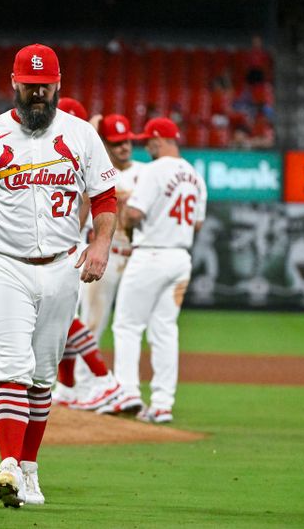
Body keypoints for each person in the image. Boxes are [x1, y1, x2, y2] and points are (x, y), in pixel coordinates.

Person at [0, 44, 117, 508]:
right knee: (12, 367)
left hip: (61, 267)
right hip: (4, 265)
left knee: (42, 377)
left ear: (59, 84)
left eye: (45, 85)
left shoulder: (80, 136)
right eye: (30, 85)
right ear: (14, 83)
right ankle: (9, 467)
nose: (38, 93)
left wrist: (99, 244)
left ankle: (30, 469)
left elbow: (106, 198)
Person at [110, 117, 207, 424]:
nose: (145, 146)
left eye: (148, 141)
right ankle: (163, 404)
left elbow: (135, 214)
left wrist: (123, 210)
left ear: (157, 141)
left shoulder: (153, 171)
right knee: (165, 331)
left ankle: (128, 394)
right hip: (180, 259)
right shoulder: (194, 175)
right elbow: (198, 223)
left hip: (150, 256)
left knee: (127, 326)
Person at [51, 105, 146, 413]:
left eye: (127, 140)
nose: (124, 146)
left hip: (134, 257)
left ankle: (103, 386)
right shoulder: (96, 164)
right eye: (117, 142)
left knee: (130, 327)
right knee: (90, 322)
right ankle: (80, 386)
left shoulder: (145, 172)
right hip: (102, 253)